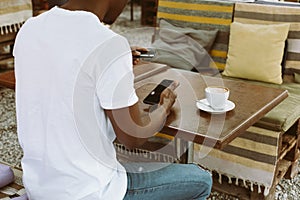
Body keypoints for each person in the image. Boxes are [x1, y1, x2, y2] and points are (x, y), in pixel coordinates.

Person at [13, 0, 212, 199]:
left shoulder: (30, 29)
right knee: (201, 179)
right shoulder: (108, 44)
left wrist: (117, 60)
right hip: (90, 192)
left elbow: (62, 68)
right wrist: (164, 107)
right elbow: (133, 137)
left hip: (39, 187)